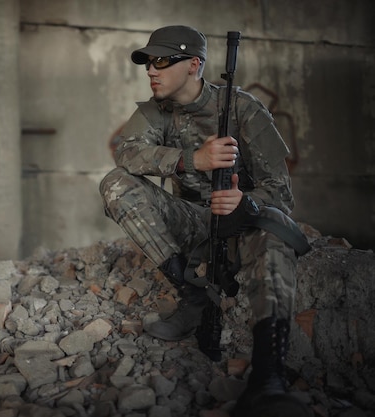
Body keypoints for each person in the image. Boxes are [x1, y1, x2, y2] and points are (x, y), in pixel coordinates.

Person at [99, 25, 312, 416]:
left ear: (194, 65)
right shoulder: (154, 111)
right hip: (195, 223)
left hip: (244, 223)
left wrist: (243, 203)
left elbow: (281, 195)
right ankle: (192, 292)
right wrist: (187, 160)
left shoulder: (243, 110)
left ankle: (268, 378)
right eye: (148, 62)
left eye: (162, 60)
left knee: (276, 233)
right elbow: (126, 156)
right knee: (116, 184)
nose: (151, 69)